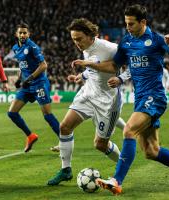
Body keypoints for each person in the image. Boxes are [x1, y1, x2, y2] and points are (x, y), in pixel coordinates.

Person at [72, 4, 169, 195]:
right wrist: (89, 64)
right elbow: (114, 65)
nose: (128, 27)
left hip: (155, 96)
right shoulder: (126, 42)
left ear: (143, 22)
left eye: (131, 24)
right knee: (151, 151)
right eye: (126, 24)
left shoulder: (156, 40)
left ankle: (117, 181)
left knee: (129, 130)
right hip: (141, 97)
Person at [47, 18, 123, 186]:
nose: (77, 43)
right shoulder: (86, 47)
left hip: (107, 101)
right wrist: (81, 76)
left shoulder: (109, 48)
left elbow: (116, 66)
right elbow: (93, 69)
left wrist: (120, 78)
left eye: (79, 39)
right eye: (73, 39)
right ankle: (66, 170)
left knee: (100, 144)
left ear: (91, 35)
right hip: (88, 94)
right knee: (64, 127)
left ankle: (122, 167)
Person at [7, 23, 60, 152]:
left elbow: (43, 65)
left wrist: (29, 78)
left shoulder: (32, 46)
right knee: (12, 113)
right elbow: (22, 65)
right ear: (16, 34)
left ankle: (64, 141)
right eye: (20, 33)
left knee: (47, 115)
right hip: (26, 85)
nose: (22, 35)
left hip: (39, 83)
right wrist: (20, 80)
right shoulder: (15, 48)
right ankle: (30, 136)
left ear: (28, 34)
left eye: (25, 33)